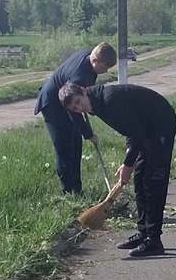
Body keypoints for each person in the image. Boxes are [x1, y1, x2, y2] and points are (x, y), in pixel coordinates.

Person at [62, 80, 176, 259]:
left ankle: (154, 241)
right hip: (146, 129)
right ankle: (143, 233)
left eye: (78, 102)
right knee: (140, 180)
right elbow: (131, 130)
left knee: (153, 182)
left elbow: (137, 133)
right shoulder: (97, 104)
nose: (79, 108)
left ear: (83, 91)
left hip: (160, 124)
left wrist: (128, 164)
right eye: (74, 109)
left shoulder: (109, 100)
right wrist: (129, 162)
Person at [33, 42, 117, 193]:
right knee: (64, 148)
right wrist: (89, 134)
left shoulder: (88, 58)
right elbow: (74, 109)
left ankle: (77, 189)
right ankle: (67, 192)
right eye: (104, 67)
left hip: (67, 104)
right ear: (95, 60)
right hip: (53, 106)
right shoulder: (79, 75)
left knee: (75, 145)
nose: (105, 71)